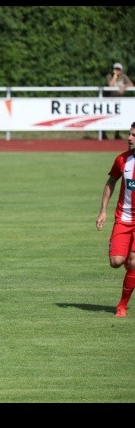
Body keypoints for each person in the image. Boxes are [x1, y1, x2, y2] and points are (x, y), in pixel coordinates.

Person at [95, 122, 135, 318]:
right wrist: (103, 211)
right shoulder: (122, 160)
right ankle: (128, 263)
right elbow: (111, 181)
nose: (129, 138)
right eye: (129, 134)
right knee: (116, 262)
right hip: (124, 218)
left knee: (134, 262)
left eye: (134, 135)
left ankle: (121, 305)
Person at [103, 63, 134, 140]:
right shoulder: (109, 76)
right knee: (106, 117)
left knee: (119, 117)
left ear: (121, 70)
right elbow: (111, 85)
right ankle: (103, 134)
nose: (117, 71)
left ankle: (117, 134)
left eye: (118, 69)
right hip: (109, 100)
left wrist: (124, 86)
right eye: (116, 69)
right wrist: (115, 76)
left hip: (119, 100)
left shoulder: (123, 76)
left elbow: (131, 85)